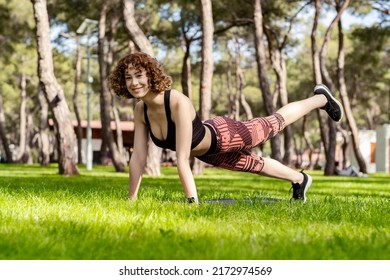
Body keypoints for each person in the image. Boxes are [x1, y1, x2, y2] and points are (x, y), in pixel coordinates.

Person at [108, 52, 344, 204]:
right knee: (255, 166)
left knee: (275, 122)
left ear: (150, 75)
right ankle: (299, 180)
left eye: (139, 75)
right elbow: (138, 157)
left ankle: (321, 99)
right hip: (208, 152)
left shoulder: (176, 101)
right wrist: (132, 199)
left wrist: (193, 202)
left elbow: (181, 159)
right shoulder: (141, 110)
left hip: (225, 134)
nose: (134, 83)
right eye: (128, 78)